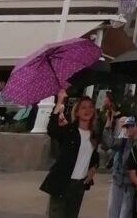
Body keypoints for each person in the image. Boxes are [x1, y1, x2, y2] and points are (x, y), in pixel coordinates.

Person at [40, 89, 99, 218]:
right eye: (83, 108)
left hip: (79, 185)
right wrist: (60, 100)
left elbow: (94, 155)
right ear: (77, 112)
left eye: (90, 107)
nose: (87, 110)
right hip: (62, 182)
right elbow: (52, 130)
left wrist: (94, 167)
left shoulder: (93, 135)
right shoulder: (69, 130)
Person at [104, 114, 137, 218]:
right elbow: (109, 142)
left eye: (132, 126)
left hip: (130, 183)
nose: (129, 129)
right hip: (117, 180)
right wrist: (108, 126)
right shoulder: (122, 141)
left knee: (125, 213)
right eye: (127, 127)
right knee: (112, 210)